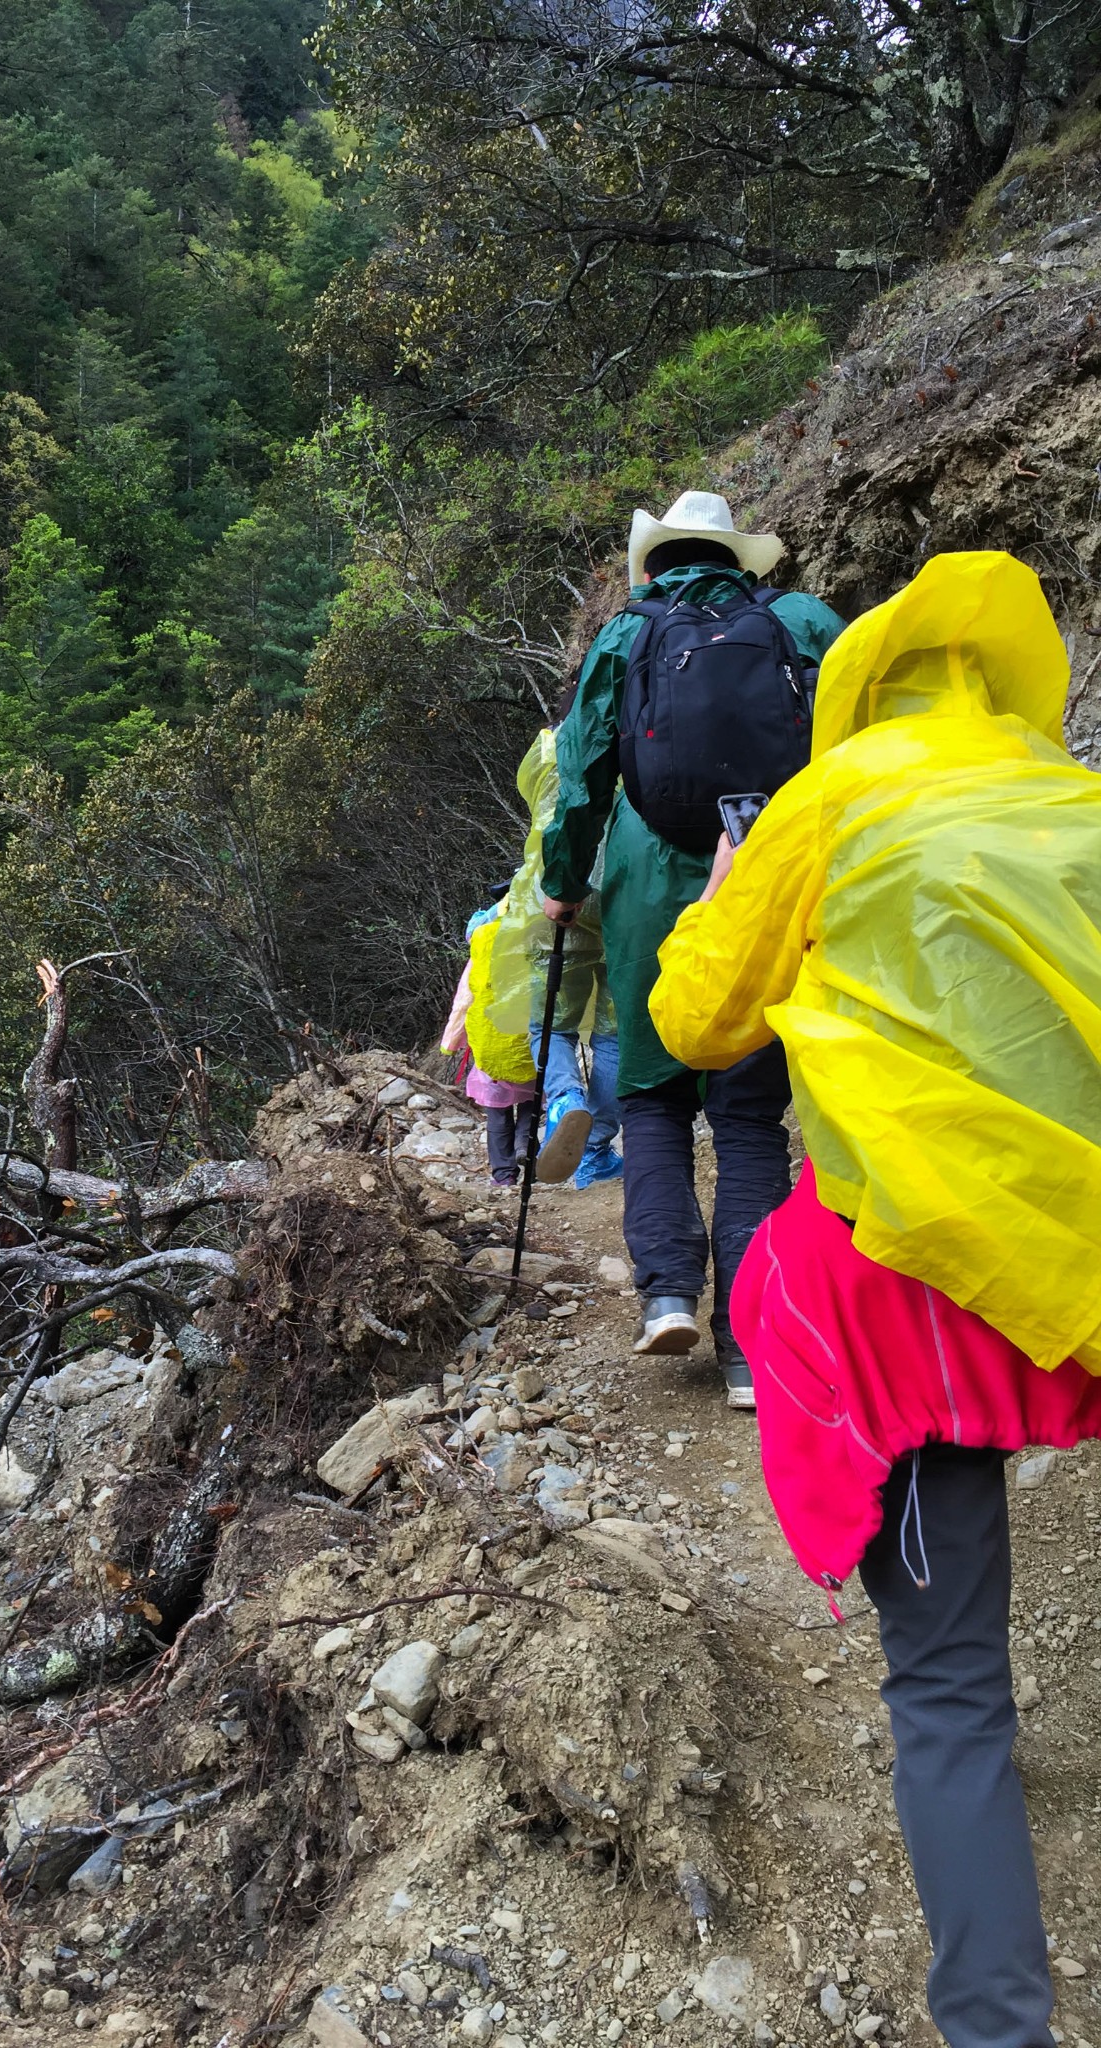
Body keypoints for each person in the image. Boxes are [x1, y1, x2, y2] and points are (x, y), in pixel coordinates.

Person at [649, 551, 1101, 2048]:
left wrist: (723, 895)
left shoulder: (826, 805)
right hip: (1080, 1255)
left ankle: (998, 2026)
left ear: (850, 690)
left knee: (953, 1690)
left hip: (917, 1294)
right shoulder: (1073, 795)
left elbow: (695, 1016)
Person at [539, 489, 845, 1406]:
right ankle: (753, 1346)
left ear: (655, 562)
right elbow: (855, 743)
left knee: (657, 1099)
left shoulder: (627, 634)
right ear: (739, 557)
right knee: (750, 1118)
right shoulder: (799, 620)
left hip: (647, 880)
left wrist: (561, 883)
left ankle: (667, 1295)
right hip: (765, 875)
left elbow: (583, 767)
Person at [484, 728, 621, 1187]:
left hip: (554, 888)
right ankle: (595, 1150)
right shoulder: (643, 724)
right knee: (614, 1031)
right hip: (627, 891)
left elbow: (546, 805)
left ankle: (565, 1100)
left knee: (551, 1023)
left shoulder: (550, 744)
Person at [441, 898, 537, 1185]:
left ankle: (504, 1174)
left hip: (489, 1044)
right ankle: (526, 1148)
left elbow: (463, 1003)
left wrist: (450, 1042)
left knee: (497, 1112)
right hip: (527, 1042)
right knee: (532, 1101)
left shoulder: (478, 959)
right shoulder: (536, 945)